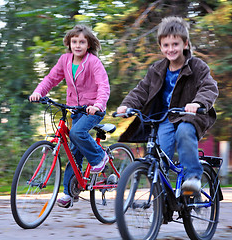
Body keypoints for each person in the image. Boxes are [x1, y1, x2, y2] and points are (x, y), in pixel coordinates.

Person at [116, 16, 218, 195]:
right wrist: (127, 106)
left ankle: (193, 178)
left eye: (175, 44)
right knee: (160, 157)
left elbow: (209, 87)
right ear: (161, 47)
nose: (171, 49)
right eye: (166, 45)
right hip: (165, 118)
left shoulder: (197, 66)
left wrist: (197, 103)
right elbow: (141, 90)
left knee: (184, 132)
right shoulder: (157, 69)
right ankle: (161, 201)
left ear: (185, 44)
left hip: (189, 116)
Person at [29, 25, 110, 208]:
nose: (78, 45)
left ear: (89, 44)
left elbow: (103, 86)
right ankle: (68, 192)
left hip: (93, 109)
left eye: (82, 42)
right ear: (69, 43)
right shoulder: (65, 60)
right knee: (73, 152)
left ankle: (99, 157)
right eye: (74, 42)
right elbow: (51, 79)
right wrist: (38, 92)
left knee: (76, 133)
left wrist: (97, 105)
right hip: (74, 109)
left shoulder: (93, 62)